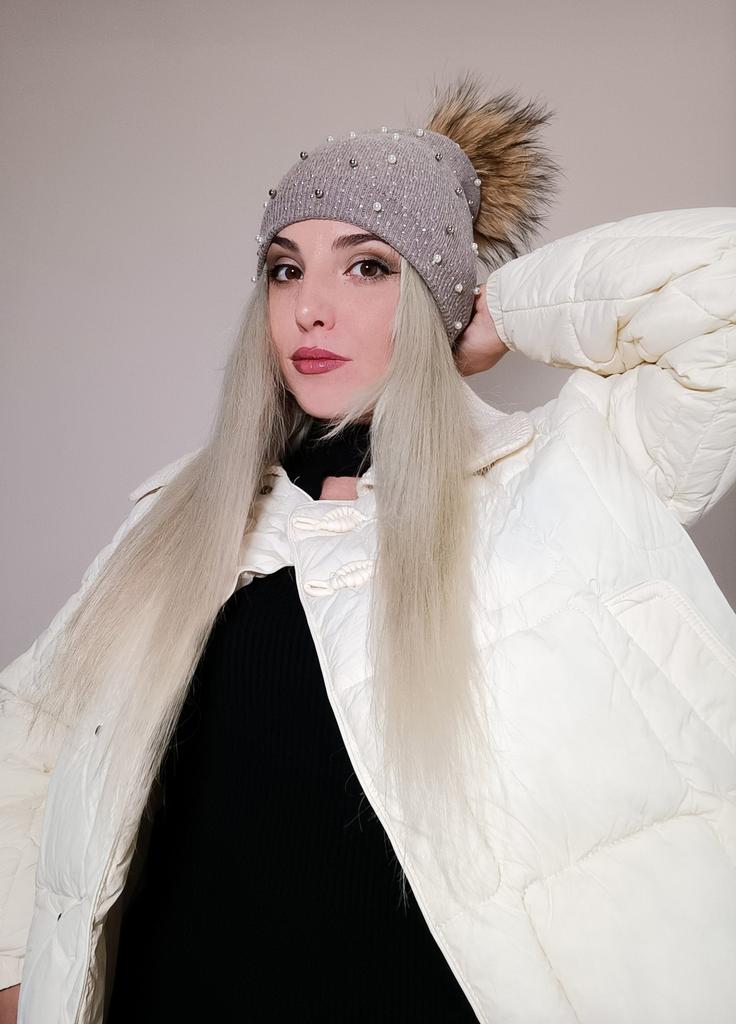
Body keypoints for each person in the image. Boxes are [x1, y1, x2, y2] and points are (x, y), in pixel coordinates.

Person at [1, 71, 735, 1024]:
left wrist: (496, 311)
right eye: (285, 269)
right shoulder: (179, 519)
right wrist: (12, 969)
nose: (310, 307)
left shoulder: (565, 480)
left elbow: (721, 299)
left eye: (368, 267)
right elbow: (29, 736)